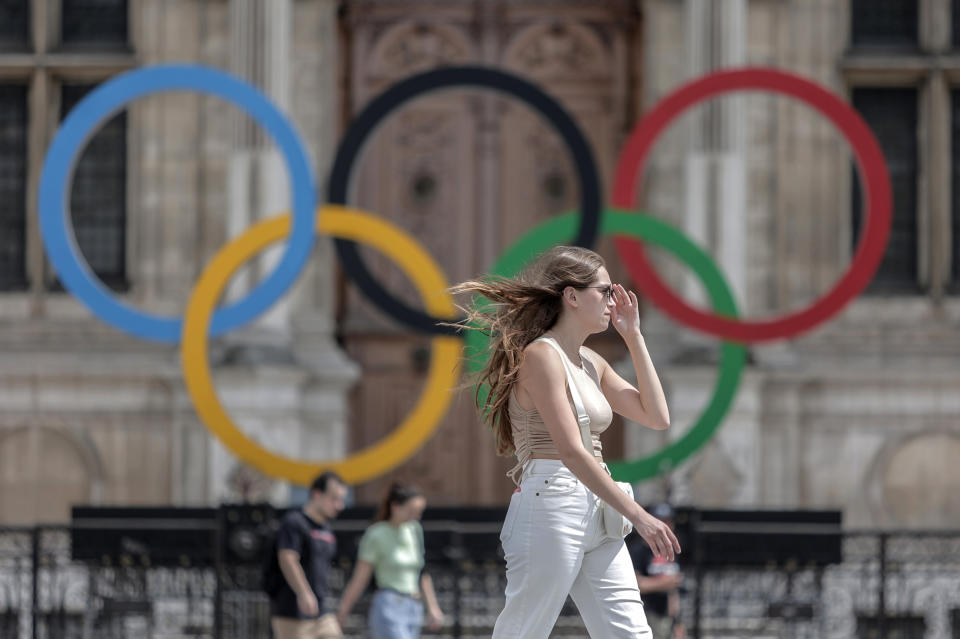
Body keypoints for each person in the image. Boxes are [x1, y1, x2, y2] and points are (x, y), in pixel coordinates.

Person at [451, 245, 682, 638]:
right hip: (552, 500)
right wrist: (640, 515)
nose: (614, 300)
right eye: (605, 291)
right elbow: (571, 450)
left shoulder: (592, 361)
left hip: (598, 507)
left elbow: (657, 417)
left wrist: (635, 337)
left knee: (631, 633)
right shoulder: (541, 356)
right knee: (524, 630)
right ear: (572, 296)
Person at [336, 482, 445, 639]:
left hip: (414, 607)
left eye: (418, 512)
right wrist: (343, 610)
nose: (415, 516)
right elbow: (360, 577)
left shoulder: (414, 530)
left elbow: (421, 572)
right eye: (411, 511)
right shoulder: (376, 533)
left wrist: (433, 608)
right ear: (395, 507)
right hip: (389, 605)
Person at [270, 470, 349, 639]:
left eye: (341, 500)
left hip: (321, 611)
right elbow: (287, 558)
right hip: (292, 613)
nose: (339, 505)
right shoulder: (294, 522)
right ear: (316, 494)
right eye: (334, 499)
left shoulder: (326, 528)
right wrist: (304, 593)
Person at [628, 503, 686, 639]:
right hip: (644, 613)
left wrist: (677, 623)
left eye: (668, 521)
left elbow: (673, 591)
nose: (665, 526)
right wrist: (663, 583)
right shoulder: (638, 551)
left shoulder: (672, 552)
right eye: (660, 521)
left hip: (666, 616)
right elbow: (634, 585)